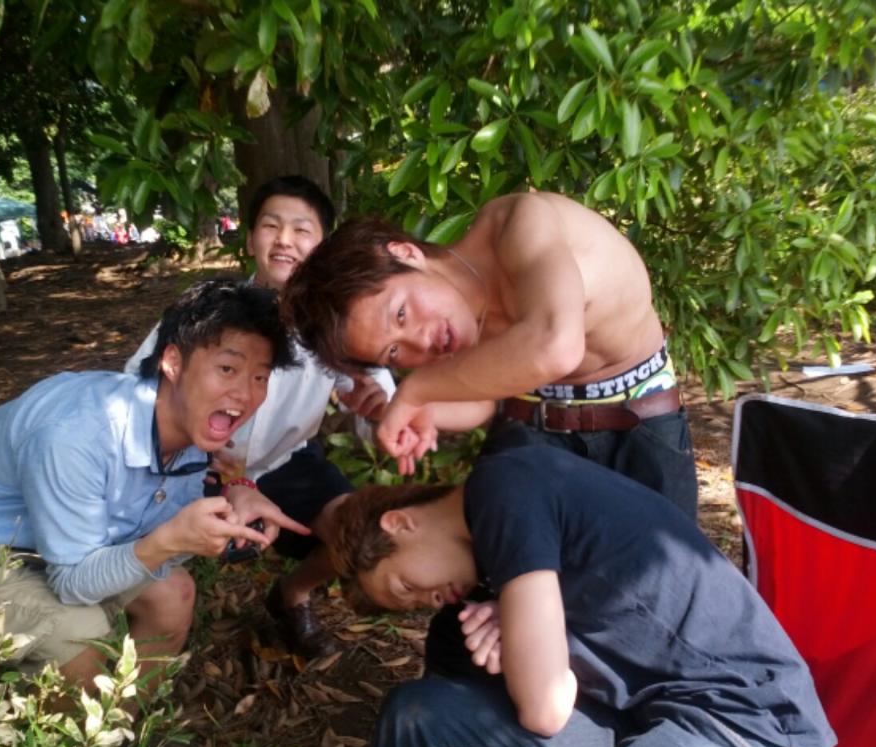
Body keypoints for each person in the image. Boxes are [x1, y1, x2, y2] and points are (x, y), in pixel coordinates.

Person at [0, 279, 309, 696]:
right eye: (227, 369)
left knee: (172, 595)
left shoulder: (189, 431)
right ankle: (76, 736)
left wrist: (232, 498)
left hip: (33, 542)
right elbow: (76, 582)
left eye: (260, 377)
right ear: (173, 361)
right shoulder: (78, 434)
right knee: (79, 633)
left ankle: (124, 729)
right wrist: (170, 540)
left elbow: (153, 536)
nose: (244, 393)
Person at [330, 445, 838, 747]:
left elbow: (547, 710)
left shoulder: (503, 489)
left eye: (406, 586)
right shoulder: (487, 578)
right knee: (417, 716)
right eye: (413, 605)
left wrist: (530, 650)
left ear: (400, 523)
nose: (427, 601)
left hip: (749, 729)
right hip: (640, 721)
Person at [282, 192, 697, 518]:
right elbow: (484, 402)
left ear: (404, 253)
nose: (420, 343)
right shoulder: (453, 330)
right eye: (394, 351)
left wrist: (417, 391)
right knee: (513, 577)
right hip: (533, 428)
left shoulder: (520, 224)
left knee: (665, 580)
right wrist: (420, 412)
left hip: (640, 422)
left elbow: (556, 346)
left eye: (402, 313)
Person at [126, 175, 396, 657]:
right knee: (152, 559)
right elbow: (137, 384)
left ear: (323, 246)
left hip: (284, 462)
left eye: (302, 230)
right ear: (251, 239)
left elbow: (379, 410)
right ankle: (130, 611)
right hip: (195, 460)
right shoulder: (208, 307)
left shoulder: (340, 324)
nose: (285, 240)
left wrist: (379, 410)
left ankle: (292, 594)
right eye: (271, 226)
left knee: (361, 533)